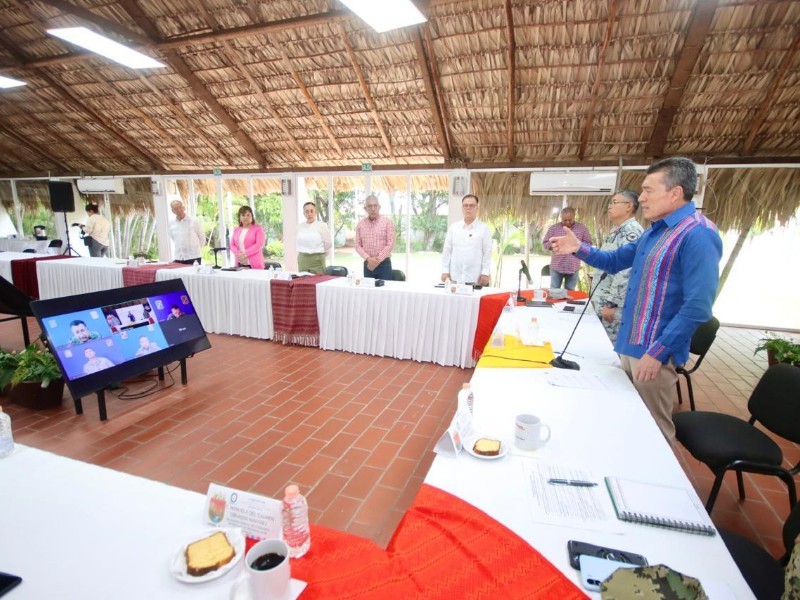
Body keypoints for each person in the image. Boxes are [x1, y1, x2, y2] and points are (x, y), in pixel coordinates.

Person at [549, 157, 722, 444]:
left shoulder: (698, 234)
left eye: (648, 190)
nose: (641, 198)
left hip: (653, 351)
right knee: (629, 420)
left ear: (675, 193)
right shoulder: (655, 231)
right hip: (630, 342)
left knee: (654, 432)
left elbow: (698, 306)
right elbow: (614, 260)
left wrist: (657, 352)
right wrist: (579, 248)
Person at [590, 190, 644, 343]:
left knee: (610, 350)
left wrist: (611, 303)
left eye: (614, 202)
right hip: (603, 300)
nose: (609, 206)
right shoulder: (617, 231)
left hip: (614, 306)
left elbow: (626, 272)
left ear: (629, 206)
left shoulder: (631, 231)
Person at [441, 194, 492, 286]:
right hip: (455, 278)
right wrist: (445, 271)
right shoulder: (454, 228)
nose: (468, 208)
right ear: (462, 208)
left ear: (477, 208)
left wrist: (485, 273)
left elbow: (487, 253)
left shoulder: (483, 229)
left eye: (472, 205)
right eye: (466, 205)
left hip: (475, 279)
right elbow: (447, 251)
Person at [542, 207, 592, 290]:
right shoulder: (554, 228)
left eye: (570, 220)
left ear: (574, 217)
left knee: (570, 294)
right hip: (556, 266)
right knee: (554, 292)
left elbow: (589, 244)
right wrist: (554, 246)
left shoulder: (582, 228)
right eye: (565, 220)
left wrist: (577, 248)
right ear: (561, 218)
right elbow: (545, 243)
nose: (568, 222)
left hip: (573, 266)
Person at [355, 195, 395, 280]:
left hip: (384, 264)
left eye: (375, 205)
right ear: (365, 208)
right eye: (369, 206)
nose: (373, 208)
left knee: (385, 291)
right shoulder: (360, 224)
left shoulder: (387, 223)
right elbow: (357, 246)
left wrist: (377, 260)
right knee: (368, 292)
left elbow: (390, 244)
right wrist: (369, 259)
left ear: (379, 207)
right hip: (368, 264)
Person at [296, 202, 332, 274]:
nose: (309, 214)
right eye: (307, 211)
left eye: (312, 211)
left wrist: (321, 254)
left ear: (316, 212)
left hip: (317, 260)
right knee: (302, 283)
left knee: (318, 282)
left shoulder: (322, 226)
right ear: (304, 214)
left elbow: (328, 244)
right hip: (302, 259)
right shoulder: (299, 227)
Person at [169, 200, 205, 264]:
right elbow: (174, 238)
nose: (179, 210)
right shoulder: (171, 223)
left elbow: (202, 237)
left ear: (183, 208)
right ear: (172, 211)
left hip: (193, 257)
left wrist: (196, 250)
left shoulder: (194, 221)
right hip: (179, 257)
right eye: (175, 208)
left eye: (180, 207)